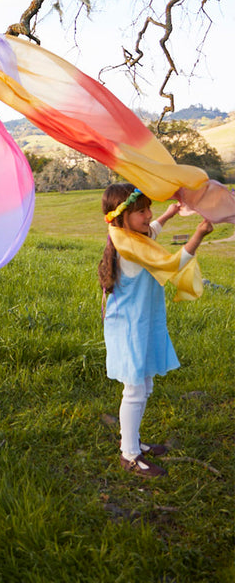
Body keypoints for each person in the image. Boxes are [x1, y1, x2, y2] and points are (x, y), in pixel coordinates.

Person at [98, 182, 213, 477]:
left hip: (140, 323)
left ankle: (132, 440)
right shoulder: (131, 249)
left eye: (149, 208)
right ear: (122, 216)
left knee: (144, 384)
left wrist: (169, 214)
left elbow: (152, 233)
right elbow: (172, 265)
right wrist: (198, 234)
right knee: (135, 389)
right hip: (130, 328)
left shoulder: (126, 236)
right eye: (141, 211)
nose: (149, 215)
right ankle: (130, 456)